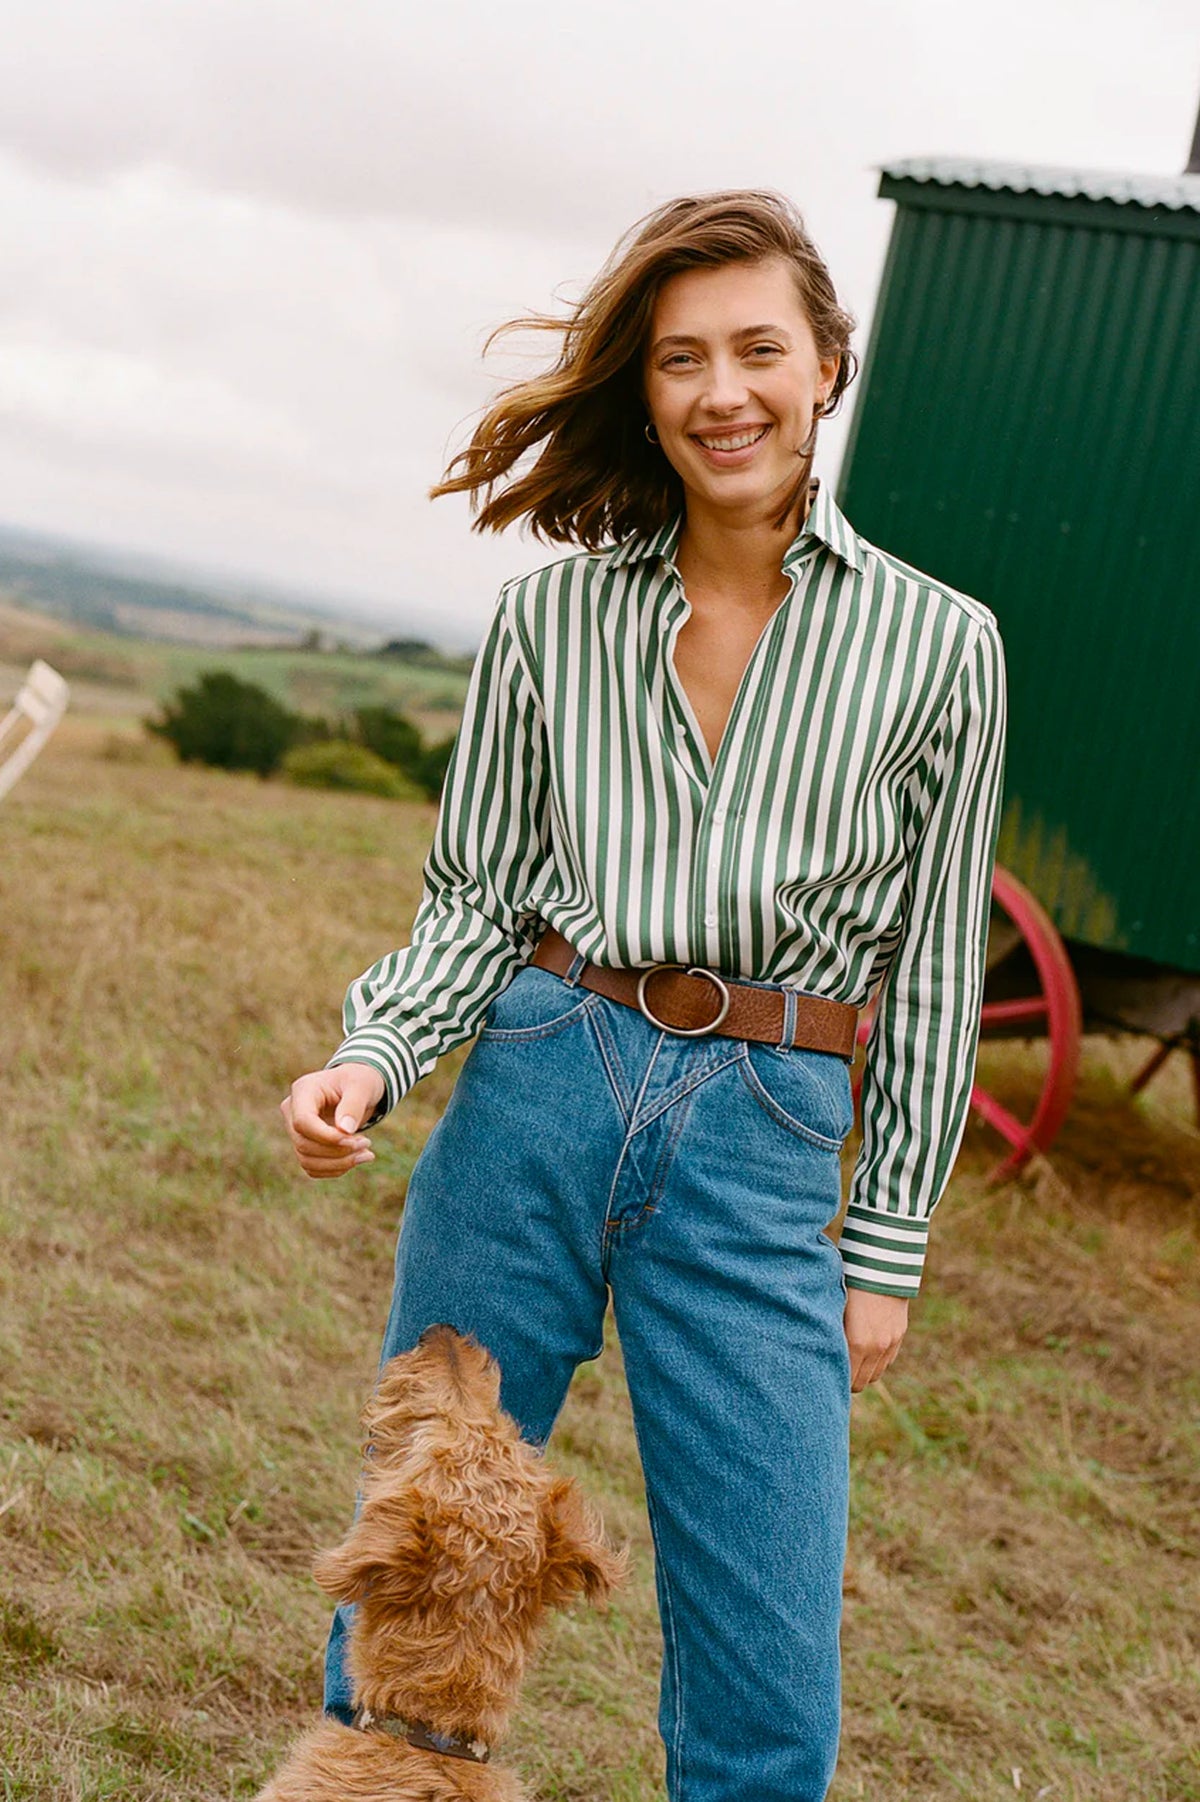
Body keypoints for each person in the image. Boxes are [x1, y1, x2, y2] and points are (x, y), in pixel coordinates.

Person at [281, 189, 1007, 1802]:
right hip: (537, 1084)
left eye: (760, 348)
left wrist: (882, 1248)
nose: (721, 390)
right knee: (422, 1593)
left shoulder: (946, 647)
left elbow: (941, 969)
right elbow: (476, 896)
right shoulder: (553, 616)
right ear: (647, 388)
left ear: (829, 367)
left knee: (767, 1677)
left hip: (763, 1135)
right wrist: (374, 1053)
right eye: (683, 358)